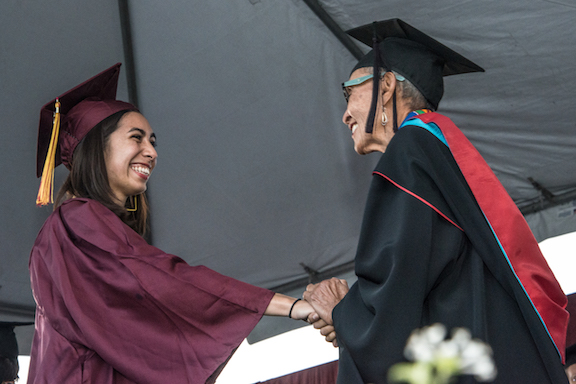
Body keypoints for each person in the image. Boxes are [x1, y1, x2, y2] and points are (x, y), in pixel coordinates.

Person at [303, 18, 569, 383]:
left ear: (385, 86)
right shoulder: (441, 149)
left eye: (349, 93)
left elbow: (397, 286)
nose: (345, 113)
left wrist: (343, 313)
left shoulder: (410, 151)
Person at [28, 63, 315, 384]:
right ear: (97, 145)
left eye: (152, 142)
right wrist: (293, 307)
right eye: (136, 138)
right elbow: (162, 281)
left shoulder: (62, 231)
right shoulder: (76, 221)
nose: (151, 152)